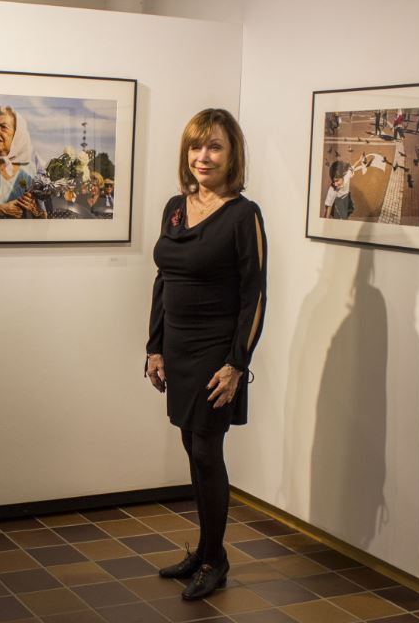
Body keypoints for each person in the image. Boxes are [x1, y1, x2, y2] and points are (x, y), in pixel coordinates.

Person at [145, 108, 267, 601]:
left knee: (206, 452)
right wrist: (154, 346)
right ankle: (205, 548)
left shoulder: (243, 215)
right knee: (190, 448)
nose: (203, 156)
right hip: (177, 347)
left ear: (232, 153)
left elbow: (254, 296)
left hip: (217, 352)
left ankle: (216, 560)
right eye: (196, 146)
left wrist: (237, 363)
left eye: (214, 146)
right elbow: (163, 279)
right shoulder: (176, 206)